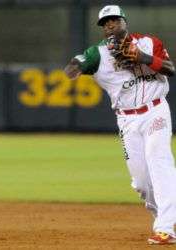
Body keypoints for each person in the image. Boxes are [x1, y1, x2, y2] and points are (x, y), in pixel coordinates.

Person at [64, 5, 176, 245]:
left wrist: (141, 58)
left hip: (155, 110)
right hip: (127, 119)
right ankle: (165, 219)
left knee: (160, 162)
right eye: (105, 23)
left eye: (114, 20)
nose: (110, 25)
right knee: (142, 183)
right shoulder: (98, 54)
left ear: (124, 21)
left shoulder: (148, 42)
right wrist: (78, 63)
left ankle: (166, 227)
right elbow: (70, 71)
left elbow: (170, 69)